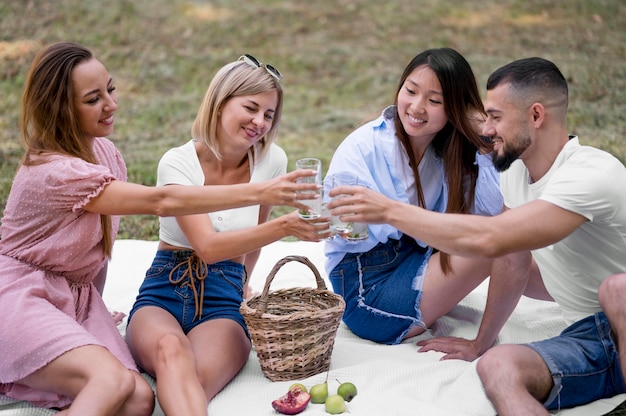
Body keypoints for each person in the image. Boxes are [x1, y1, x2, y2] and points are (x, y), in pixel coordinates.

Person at [0, 42, 319, 415]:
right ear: (60, 108)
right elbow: (163, 202)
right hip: (22, 294)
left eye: (111, 90)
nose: (112, 104)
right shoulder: (56, 171)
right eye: (93, 99)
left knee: (138, 400)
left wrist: (89, 310)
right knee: (115, 380)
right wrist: (268, 198)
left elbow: (96, 250)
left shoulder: (105, 154)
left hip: (74, 298)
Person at [328, 57, 626, 414]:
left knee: (617, 290)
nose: (485, 128)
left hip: (620, 308)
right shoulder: (516, 177)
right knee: (496, 366)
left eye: (495, 117)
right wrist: (480, 343)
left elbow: (493, 240)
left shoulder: (591, 175)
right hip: (591, 336)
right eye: (484, 116)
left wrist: (389, 211)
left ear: (535, 116)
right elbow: (510, 260)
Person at [124, 55, 330, 415]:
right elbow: (207, 247)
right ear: (220, 103)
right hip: (164, 289)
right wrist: (285, 226)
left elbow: (255, 237)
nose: (259, 122)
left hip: (223, 297)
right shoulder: (177, 163)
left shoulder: (271, 161)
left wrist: (243, 282)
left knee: (195, 385)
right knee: (170, 350)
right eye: (250, 107)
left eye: (269, 114)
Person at [322, 47, 503, 345]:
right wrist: (407, 220)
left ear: (454, 109)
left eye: (434, 101)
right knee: (496, 244)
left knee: (515, 239)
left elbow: (492, 210)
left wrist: (479, 133)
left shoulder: (448, 150)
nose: (417, 107)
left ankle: (583, 297)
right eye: (411, 91)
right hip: (369, 293)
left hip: (416, 263)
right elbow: (345, 233)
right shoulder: (363, 147)